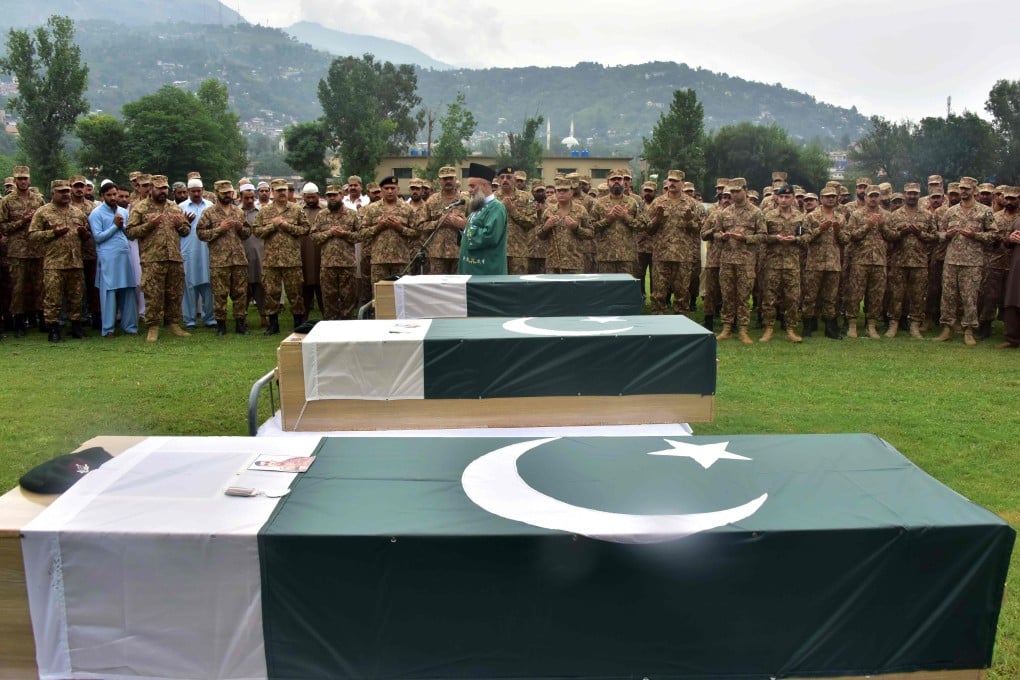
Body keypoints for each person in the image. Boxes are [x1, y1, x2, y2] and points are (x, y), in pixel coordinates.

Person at [125, 174, 193, 342]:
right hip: (152, 258)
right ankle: (153, 326)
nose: (163, 192)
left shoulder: (174, 207)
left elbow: (186, 230)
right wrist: (150, 225)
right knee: (153, 293)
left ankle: (174, 323)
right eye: (159, 189)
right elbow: (130, 232)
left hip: (174, 257)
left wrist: (181, 225)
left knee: (175, 293)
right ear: (151, 189)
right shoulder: (140, 208)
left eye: (165, 189)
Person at [936, 177, 998, 345]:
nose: (963, 192)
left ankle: (969, 330)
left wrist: (975, 235)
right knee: (948, 296)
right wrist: (946, 235)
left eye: (967, 189)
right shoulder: (951, 211)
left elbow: (993, 235)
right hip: (951, 260)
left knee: (970, 297)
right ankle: (947, 328)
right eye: (961, 188)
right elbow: (939, 234)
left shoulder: (985, 211)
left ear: (974, 191)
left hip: (973, 262)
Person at [28, 180, 90, 342]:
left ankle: (76, 327)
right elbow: (32, 235)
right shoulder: (43, 212)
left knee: (76, 296)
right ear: (53, 193)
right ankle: (53, 329)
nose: (65, 194)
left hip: (75, 262)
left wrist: (84, 234)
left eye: (67, 191)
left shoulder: (77, 212)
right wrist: (53, 233)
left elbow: (86, 235)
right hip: (54, 263)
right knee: (53, 298)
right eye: (61, 191)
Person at [706, 178, 764, 343]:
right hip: (727, 260)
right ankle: (726, 327)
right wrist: (722, 236)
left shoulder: (756, 213)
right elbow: (715, 232)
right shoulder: (724, 212)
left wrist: (744, 238)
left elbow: (763, 236)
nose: (734, 194)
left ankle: (743, 329)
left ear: (745, 190)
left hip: (746, 261)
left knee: (743, 296)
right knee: (727, 295)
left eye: (737, 191)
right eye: (731, 192)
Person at [254, 178, 310, 335]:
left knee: (295, 293)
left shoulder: (296, 209)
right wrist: (273, 226)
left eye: (284, 190)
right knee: (271, 293)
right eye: (278, 191)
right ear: (272, 192)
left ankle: (298, 323)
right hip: (271, 261)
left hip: (292, 260)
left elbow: (306, 229)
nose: (282, 193)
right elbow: (257, 231)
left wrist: (287, 226)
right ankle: (273, 324)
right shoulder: (265, 211)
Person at [197, 180, 251, 335]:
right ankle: (221, 325)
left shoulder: (238, 211)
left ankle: (240, 323)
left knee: (240, 292)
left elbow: (248, 233)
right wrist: (219, 230)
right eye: (224, 193)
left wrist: (241, 227)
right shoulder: (209, 213)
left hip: (239, 259)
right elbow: (200, 233)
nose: (228, 195)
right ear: (216, 193)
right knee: (220, 294)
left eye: (230, 192)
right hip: (219, 260)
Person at [645, 170, 701, 316]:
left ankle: (681, 325)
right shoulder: (658, 202)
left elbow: (699, 230)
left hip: (683, 256)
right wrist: (657, 218)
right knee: (658, 293)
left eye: (676, 181)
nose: (672, 184)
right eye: (670, 180)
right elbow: (648, 229)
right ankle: (658, 324)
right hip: (661, 255)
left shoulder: (691, 204)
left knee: (682, 293)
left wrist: (689, 221)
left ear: (682, 183)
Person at [88, 180, 138, 337]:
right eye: (109, 195)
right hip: (108, 257)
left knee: (128, 289)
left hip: (124, 255)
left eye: (115, 194)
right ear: (102, 196)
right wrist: (115, 226)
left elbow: (130, 235)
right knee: (109, 293)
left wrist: (122, 226)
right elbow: (98, 237)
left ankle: (130, 326)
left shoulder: (123, 212)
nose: (113, 197)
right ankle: (108, 329)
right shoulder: (96, 214)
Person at [0, 165, 45, 336]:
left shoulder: (38, 199)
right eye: (19, 179)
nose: (23, 181)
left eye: (25, 178)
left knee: (39, 286)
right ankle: (19, 323)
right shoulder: (7, 201)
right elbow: (3, 227)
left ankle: (42, 320)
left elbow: (44, 221)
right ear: (14, 180)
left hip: (36, 249)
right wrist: (22, 221)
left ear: (29, 179)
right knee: (18, 288)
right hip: (17, 251)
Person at [759, 184, 806, 342]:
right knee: (769, 297)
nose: (784, 200)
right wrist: (775, 238)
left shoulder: (800, 217)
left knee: (792, 298)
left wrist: (796, 239)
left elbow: (808, 237)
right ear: (776, 198)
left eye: (787, 197)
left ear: (793, 198)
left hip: (792, 263)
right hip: (772, 262)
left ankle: (791, 329)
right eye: (781, 197)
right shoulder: (767, 215)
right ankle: (769, 328)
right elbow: (760, 236)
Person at [311, 184, 362, 320]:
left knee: (348, 298)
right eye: (329, 195)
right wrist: (329, 233)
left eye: (335, 195)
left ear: (341, 195)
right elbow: (314, 236)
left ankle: (347, 324)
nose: (332, 198)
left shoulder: (352, 214)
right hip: (328, 264)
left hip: (347, 263)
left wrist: (344, 234)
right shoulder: (321, 215)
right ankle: (330, 324)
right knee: (329, 298)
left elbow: (362, 235)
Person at [360, 175, 417, 283]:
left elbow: (416, 233)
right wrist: (378, 227)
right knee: (380, 295)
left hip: (401, 260)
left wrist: (400, 228)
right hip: (379, 260)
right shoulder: (372, 209)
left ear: (398, 189)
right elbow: (362, 233)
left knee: (401, 293)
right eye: (386, 188)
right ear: (381, 190)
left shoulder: (408, 209)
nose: (390, 191)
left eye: (393, 188)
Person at [179, 177, 215, 330]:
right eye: (193, 191)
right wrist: (184, 221)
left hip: (207, 249)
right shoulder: (181, 207)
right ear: (188, 192)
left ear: (203, 190)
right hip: (189, 250)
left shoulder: (210, 206)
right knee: (189, 284)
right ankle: (190, 319)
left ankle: (210, 317)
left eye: (199, 191)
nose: (196, 194)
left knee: (209, 284)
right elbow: (177, 230)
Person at [458, 163, 507, 275]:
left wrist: (465, 226)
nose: (469, 190)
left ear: (484, 186)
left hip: (486, 270)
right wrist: (461, 228)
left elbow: (490, 236)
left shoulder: (496, 208)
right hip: (469, 267)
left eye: (472, 186)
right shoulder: (477, 205)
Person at [590, 168, 641, 274]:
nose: (616, 182)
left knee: (626, 289)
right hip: (605, 257)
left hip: (627, 256)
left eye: (619, 179)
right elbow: (591, 228)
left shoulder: (633, 203)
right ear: (608, 183)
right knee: (607, 289)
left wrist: (626, 217)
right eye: (613, 179)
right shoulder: (599, 204)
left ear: (624, 182)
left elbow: (643, 226)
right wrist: (606, 220)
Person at [419, 166, 468, 275]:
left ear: (456, 179)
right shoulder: (431, 201)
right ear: (439, 181)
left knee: (458, 288)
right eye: (445, 179)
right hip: (437, 254)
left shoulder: (465, 200)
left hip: (460, 253)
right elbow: (420, 226)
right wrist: (437, 223)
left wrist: (463, 224)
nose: (448, 181)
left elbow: (476, 225)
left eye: (451, 178)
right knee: (437, 288)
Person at [537, 178, 592, 273]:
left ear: (571, 192)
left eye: (565, 190)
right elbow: (540, 236)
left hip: (574, 262)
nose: (561, 193)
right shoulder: (549, 211)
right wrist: (546, 227)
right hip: (553, 263)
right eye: (558, 190)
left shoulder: (581, 210)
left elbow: (591, 233)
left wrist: (576, 228)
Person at [999, 189, 1020, 349]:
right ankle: (1012, 339)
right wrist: (1010, 239)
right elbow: (1006, 242)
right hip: (1016, 266)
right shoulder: (1018, 220)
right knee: (1013, 300)